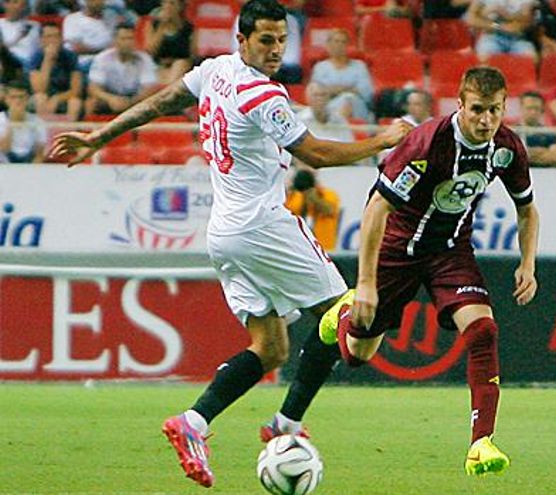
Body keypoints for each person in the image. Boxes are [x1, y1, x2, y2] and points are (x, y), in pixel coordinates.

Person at [48, 0, 411, 488]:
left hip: (225, 232)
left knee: (271, 348)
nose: (275, 49)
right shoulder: (262, 93)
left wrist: (99, 137)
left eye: (281, 40)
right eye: (265, 40)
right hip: (263, 225)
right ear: (241, 40)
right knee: (346, 311)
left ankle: (192, 422)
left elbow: (161, 102)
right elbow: (317, 154)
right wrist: (383, 140)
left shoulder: (215, 71)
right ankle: (286, 425)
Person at [264, 66, 539, 477]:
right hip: (397, 250)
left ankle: (481, 442)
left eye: (495, 110)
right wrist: (366, 285)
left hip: (450, 250)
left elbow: (527, 208)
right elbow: (377, 208)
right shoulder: (426, 143)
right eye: (478, 109)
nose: (486, 120)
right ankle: (341, 314)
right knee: (358, 353)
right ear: (460, 105)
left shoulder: (507, 147)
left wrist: (528, 263)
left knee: (483, 330)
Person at [85, 24, 159, 115]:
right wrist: (110, 99)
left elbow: (148, 89)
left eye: (131, 38)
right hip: (109, 97)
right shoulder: (102, 58)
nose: (128, 42)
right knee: (92, 102)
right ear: (115, 41)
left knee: (152, 100)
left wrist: (130, 102)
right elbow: (93, 88)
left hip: (134, 99)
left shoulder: (145, 59)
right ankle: (88, 123)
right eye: (123, 39)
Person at [310, 29, 374, 121]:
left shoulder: (359, 66)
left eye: (343, 42)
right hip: (329, 107)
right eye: (336, 41)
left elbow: (366, 93)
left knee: (348, 99)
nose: (339, 45)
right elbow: (316, 93)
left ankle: (341, 126)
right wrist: (349, 89)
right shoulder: (320, 67)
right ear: (328, 45)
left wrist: (335, 90)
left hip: (357, 107)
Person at [28, 22, 83, 120]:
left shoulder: (70, 56)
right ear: (41, 40)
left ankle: (68, 129)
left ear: (61, 39)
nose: (53, 40)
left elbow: (76, 90)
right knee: (40, 98)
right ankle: (44, 128)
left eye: (56, 36)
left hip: (64, 97)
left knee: (75, 102)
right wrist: (47, 60)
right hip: (41, 98)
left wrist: (57, 98)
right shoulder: (36, 57)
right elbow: (39, 89)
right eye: (49, 36)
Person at [284, 167, 342, 251]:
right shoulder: (293, 197)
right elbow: (288, 212)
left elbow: (329, 210)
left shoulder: (327, 194)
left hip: (324, 247)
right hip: (297, 247)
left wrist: (314, 198)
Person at [464, 0, 538, 61]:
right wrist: (497, 26)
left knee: (531, 59)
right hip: (492, 36)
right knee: (484, 58)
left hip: (519, 38)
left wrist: (504, 14)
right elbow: (470, 19)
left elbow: (528, 20)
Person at [144, 0, 194, 85]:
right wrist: (162, 26)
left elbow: (192, 54)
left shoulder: (189, 28)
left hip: (180, 66)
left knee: (180, 64)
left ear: (180, 6)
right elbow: (151, 50)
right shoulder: (154, 24)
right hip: (158, 65)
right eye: (165, 2)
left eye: (172, 3)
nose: (167, 6)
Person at [0, 79, 47, 163]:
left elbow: (40, 154)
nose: (18, 101)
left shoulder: (38, 121)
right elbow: (4, 148)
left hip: (29, 163)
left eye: (21, 97)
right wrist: (12, 121)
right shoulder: (1, 119)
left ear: (27, 98)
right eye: (13, 97)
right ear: (6, 99)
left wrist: (33, 169)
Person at [518, 90, 556, 166]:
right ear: (521, 108)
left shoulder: (549, 133)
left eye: (536, 108)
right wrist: (543, 151)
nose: (533, 112)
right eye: (529, 108)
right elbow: (513, 157)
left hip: (544, 171)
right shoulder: (512, 133)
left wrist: (528, 153)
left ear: (542, 110)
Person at [0, 0, 41, 66]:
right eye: (8, 2)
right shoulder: (0, 24)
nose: (11, 6)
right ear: (4, 5)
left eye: (16, 2)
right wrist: (18, 38)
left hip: (32, 63)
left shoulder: (35, 25)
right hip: (8, 62)